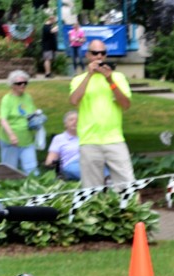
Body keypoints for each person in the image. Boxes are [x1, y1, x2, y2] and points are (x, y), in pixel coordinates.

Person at [69, 40, 135, 188]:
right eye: (95, 53)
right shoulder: (78, 80)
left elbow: (126, 105)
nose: (99, 56)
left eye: (102, 53)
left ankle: (127, 210)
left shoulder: (118, 77)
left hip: (114, 139)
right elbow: (74, 100)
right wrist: (89, 76)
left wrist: (109, 80)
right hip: (89, 140)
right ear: (87, 55)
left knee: (127, 185)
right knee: (91, 189)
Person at [0, 71, 39, 176]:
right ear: (12, 85)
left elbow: (32, 113)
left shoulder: (28, 97)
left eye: (25, 82)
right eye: (19, 83)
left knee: (32, 171)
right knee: (9, 171)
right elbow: (3, 119)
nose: (23, 85)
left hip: (27, 140)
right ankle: (8, 191)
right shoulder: (7, 99)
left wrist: (38, 118)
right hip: (11, 141)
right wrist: (12, 135)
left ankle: (33, 190)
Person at [44, 111, 81, 180]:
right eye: (71, 120)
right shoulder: (59, 138)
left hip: (89, 162)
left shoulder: (87, 136)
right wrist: (53, 164)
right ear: (65, 124)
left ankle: (105, 182)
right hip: (70, 164)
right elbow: (49, 161)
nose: (75, 122)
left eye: (78, 120)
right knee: (90, 171)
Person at [41, 13, 59, 78]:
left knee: (49, 60)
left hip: (51, 46)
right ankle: (47, 73)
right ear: (51, 19)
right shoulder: (46, 26)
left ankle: (49, 72)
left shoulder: (50, 26)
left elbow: (53, 33)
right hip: (47, 46)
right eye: (54, 20)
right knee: (47, 59)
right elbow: (50, 31)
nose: (54, 22)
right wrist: (56, 28)